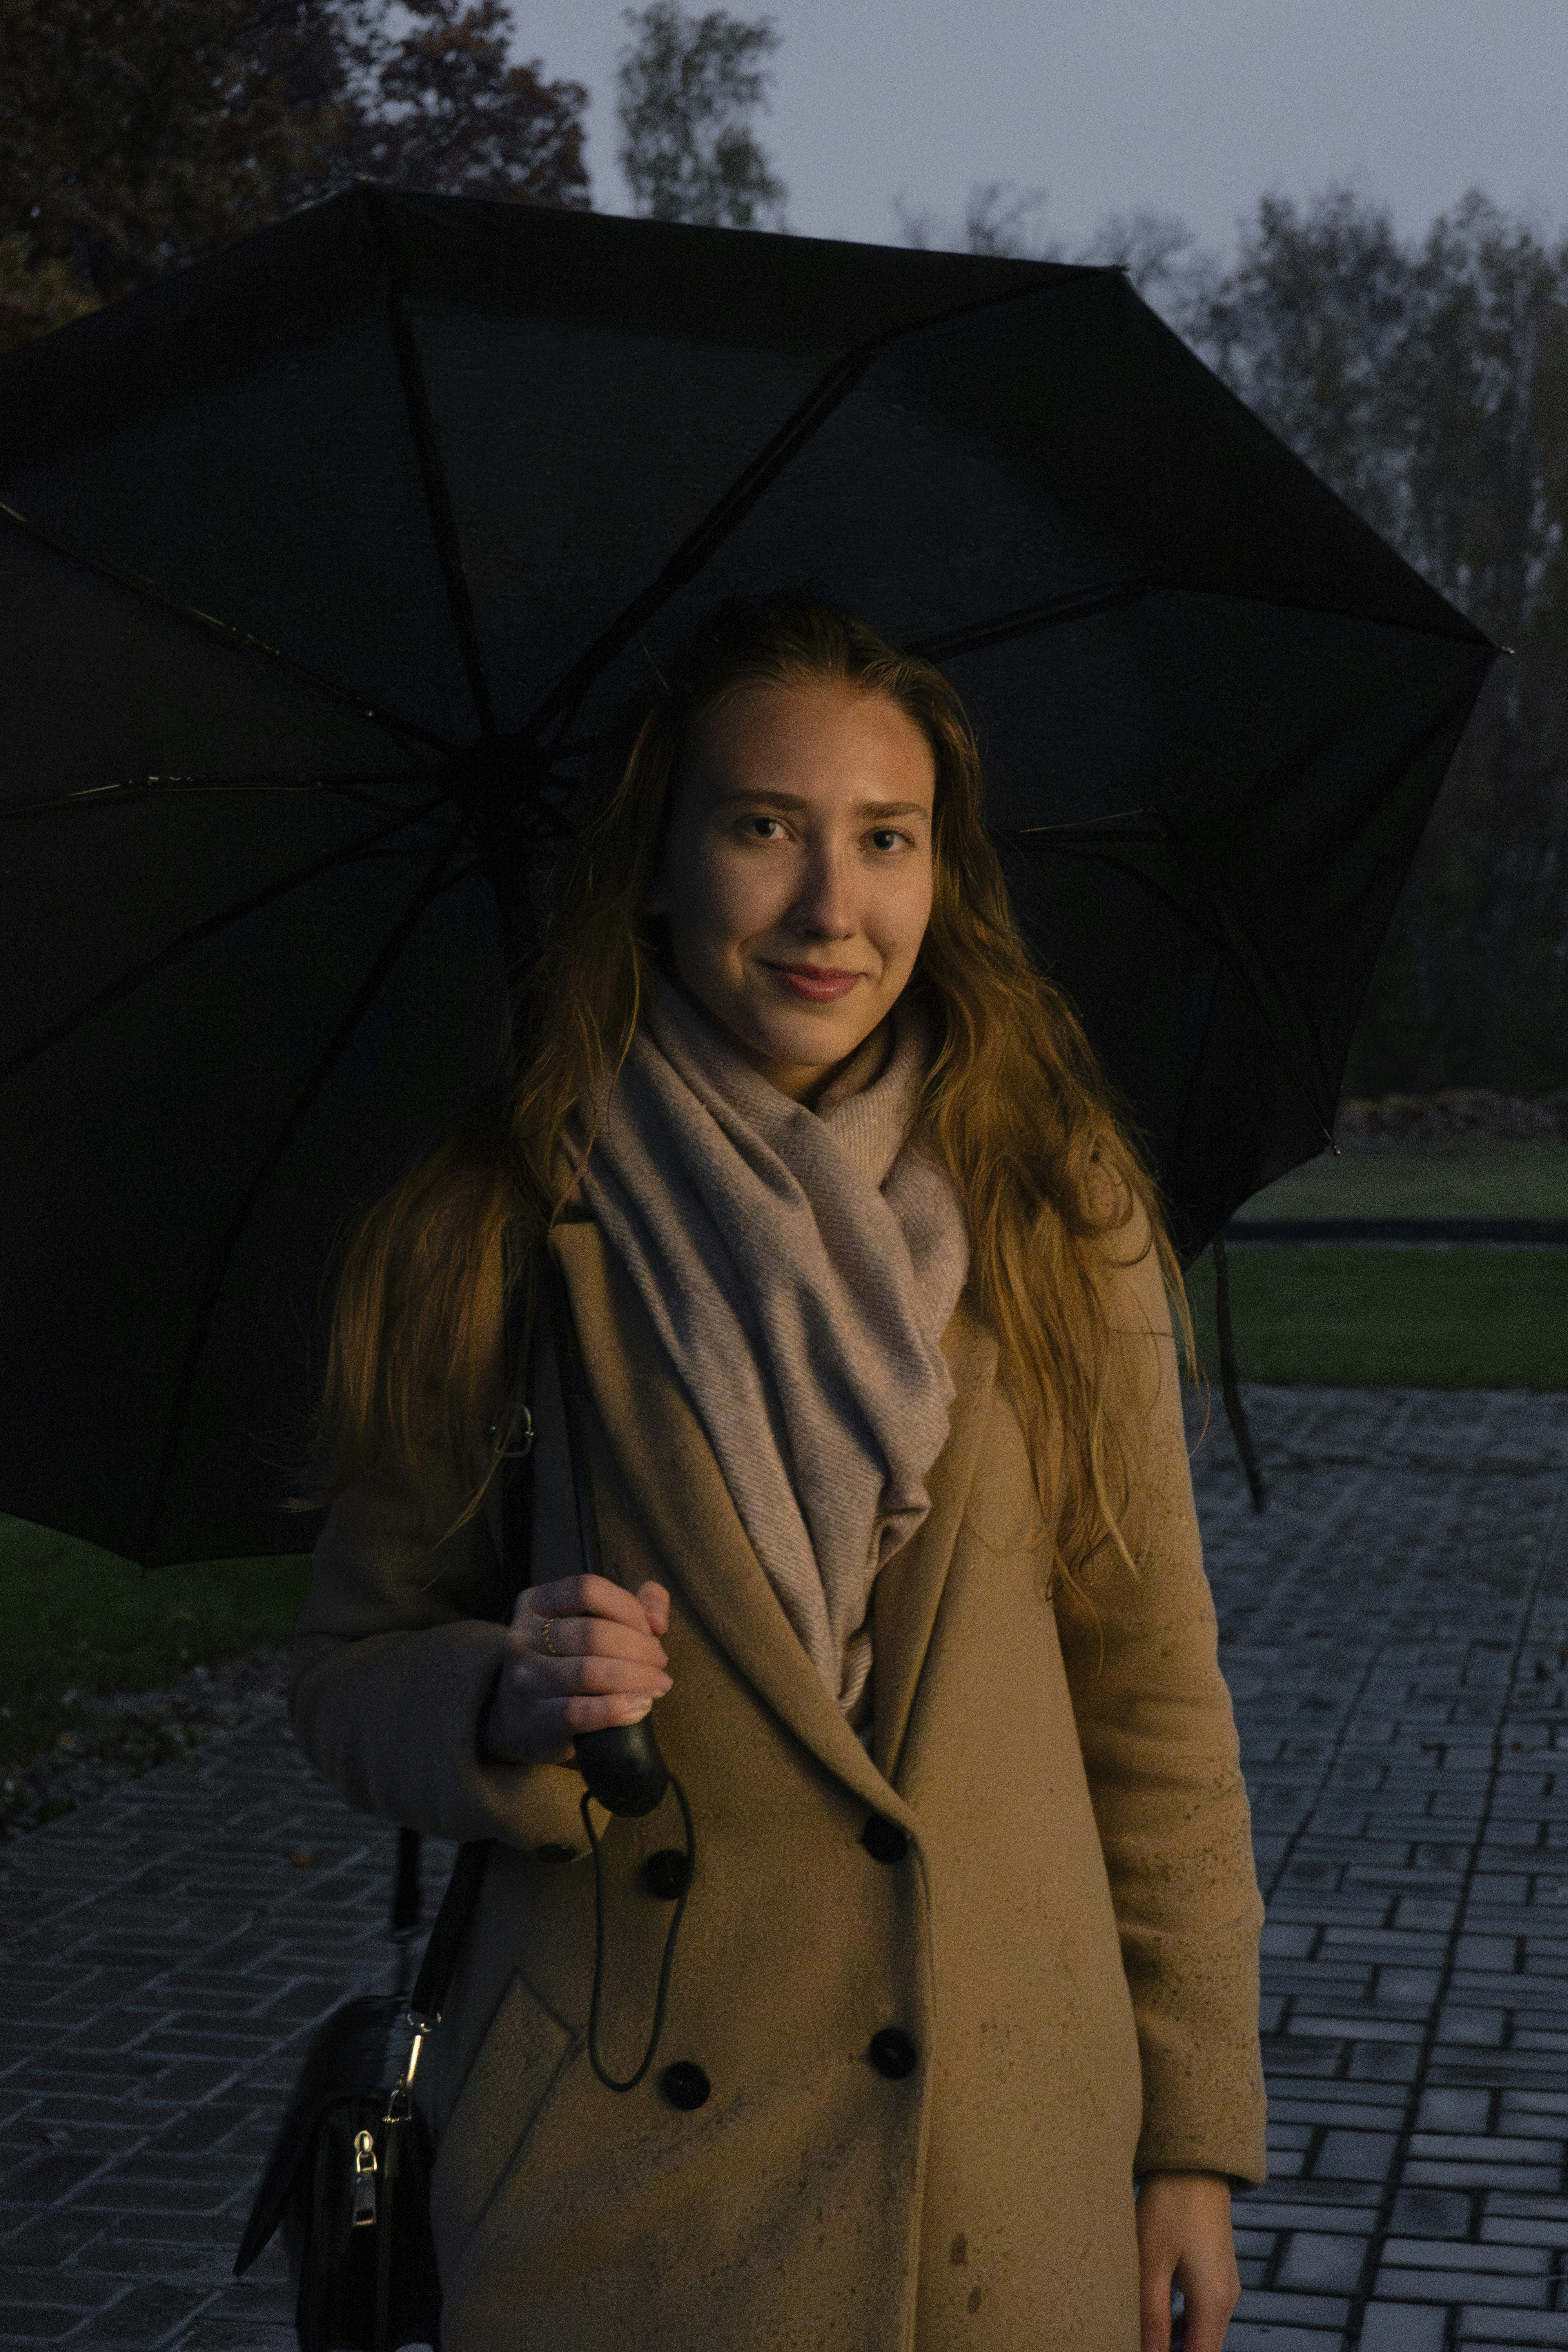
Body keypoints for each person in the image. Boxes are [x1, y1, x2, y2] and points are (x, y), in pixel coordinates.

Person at [289, 594, 1266, 2352]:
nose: (834, 908)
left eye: (885, 841)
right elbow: (347, 1675)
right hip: (620, 2182)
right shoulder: (498, 1225)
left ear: (939, 875)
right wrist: (501, 1695)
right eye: (764, 831)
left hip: (997, 2152)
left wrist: (1189, 2142)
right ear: (656, 869)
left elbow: (1157, 1708)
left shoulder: (1061, 1214)